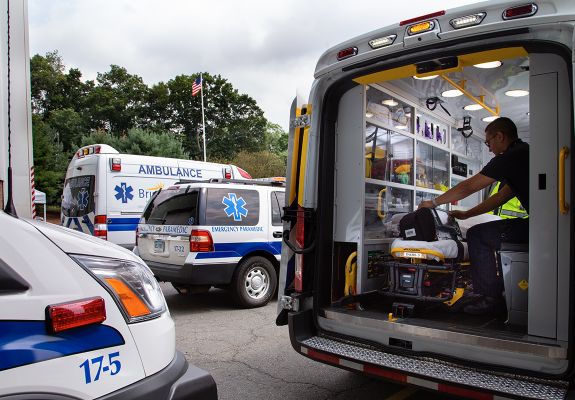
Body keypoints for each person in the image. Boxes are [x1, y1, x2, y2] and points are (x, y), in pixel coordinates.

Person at [419, 117, 529, 315]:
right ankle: (500, 291)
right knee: (486, 233)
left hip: (539, 227)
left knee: (477, 235)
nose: (489, 148)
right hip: (544, 225)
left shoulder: (511, 156)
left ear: (500, 136)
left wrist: (433, 203)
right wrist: (466, 214)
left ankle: (489, 299)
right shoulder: (523, 154)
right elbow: (500, 197)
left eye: (488, 142)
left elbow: (468, 186)